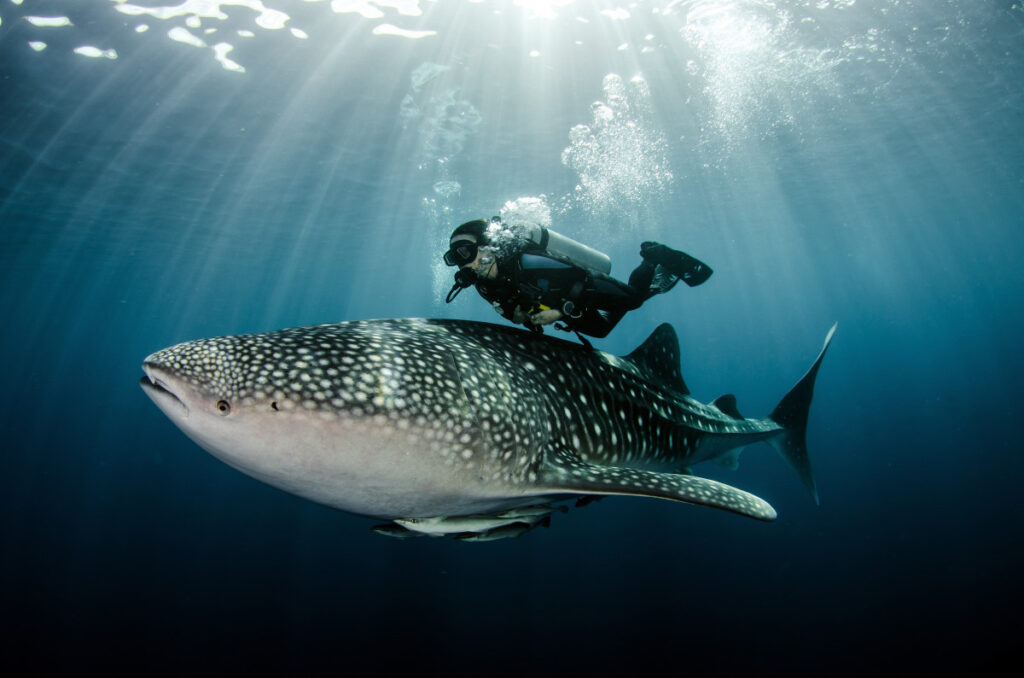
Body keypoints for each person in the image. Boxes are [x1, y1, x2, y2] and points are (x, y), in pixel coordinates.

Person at [443, 216, 712, 339]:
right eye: (456, 258)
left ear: (488, 244)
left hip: (584, 286)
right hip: (557, 304)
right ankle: (649, 284)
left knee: (633, 300)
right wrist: (522, 314)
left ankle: (652, 258)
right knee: (601, 331)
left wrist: (558, 312)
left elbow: (578, 276)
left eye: (466, 252)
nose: (465, 264)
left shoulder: (526, 260)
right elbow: (509, 313)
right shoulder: (484, 285)